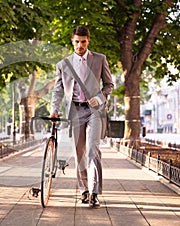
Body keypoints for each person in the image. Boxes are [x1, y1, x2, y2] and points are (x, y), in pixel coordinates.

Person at [50, 26, 114, 208]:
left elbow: (109, 85)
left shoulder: (100, 59)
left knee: (93, 150)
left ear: (88, 41)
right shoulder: (63, 65)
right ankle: (84, 190)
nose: (80, 45)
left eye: (83, 42)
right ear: (72, 41)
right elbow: (58, 90)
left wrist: (100, 98)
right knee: (79, 154)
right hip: (75, 112)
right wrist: (54, 109)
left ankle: (94, 193)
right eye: (77, 42)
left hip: (95, 111)